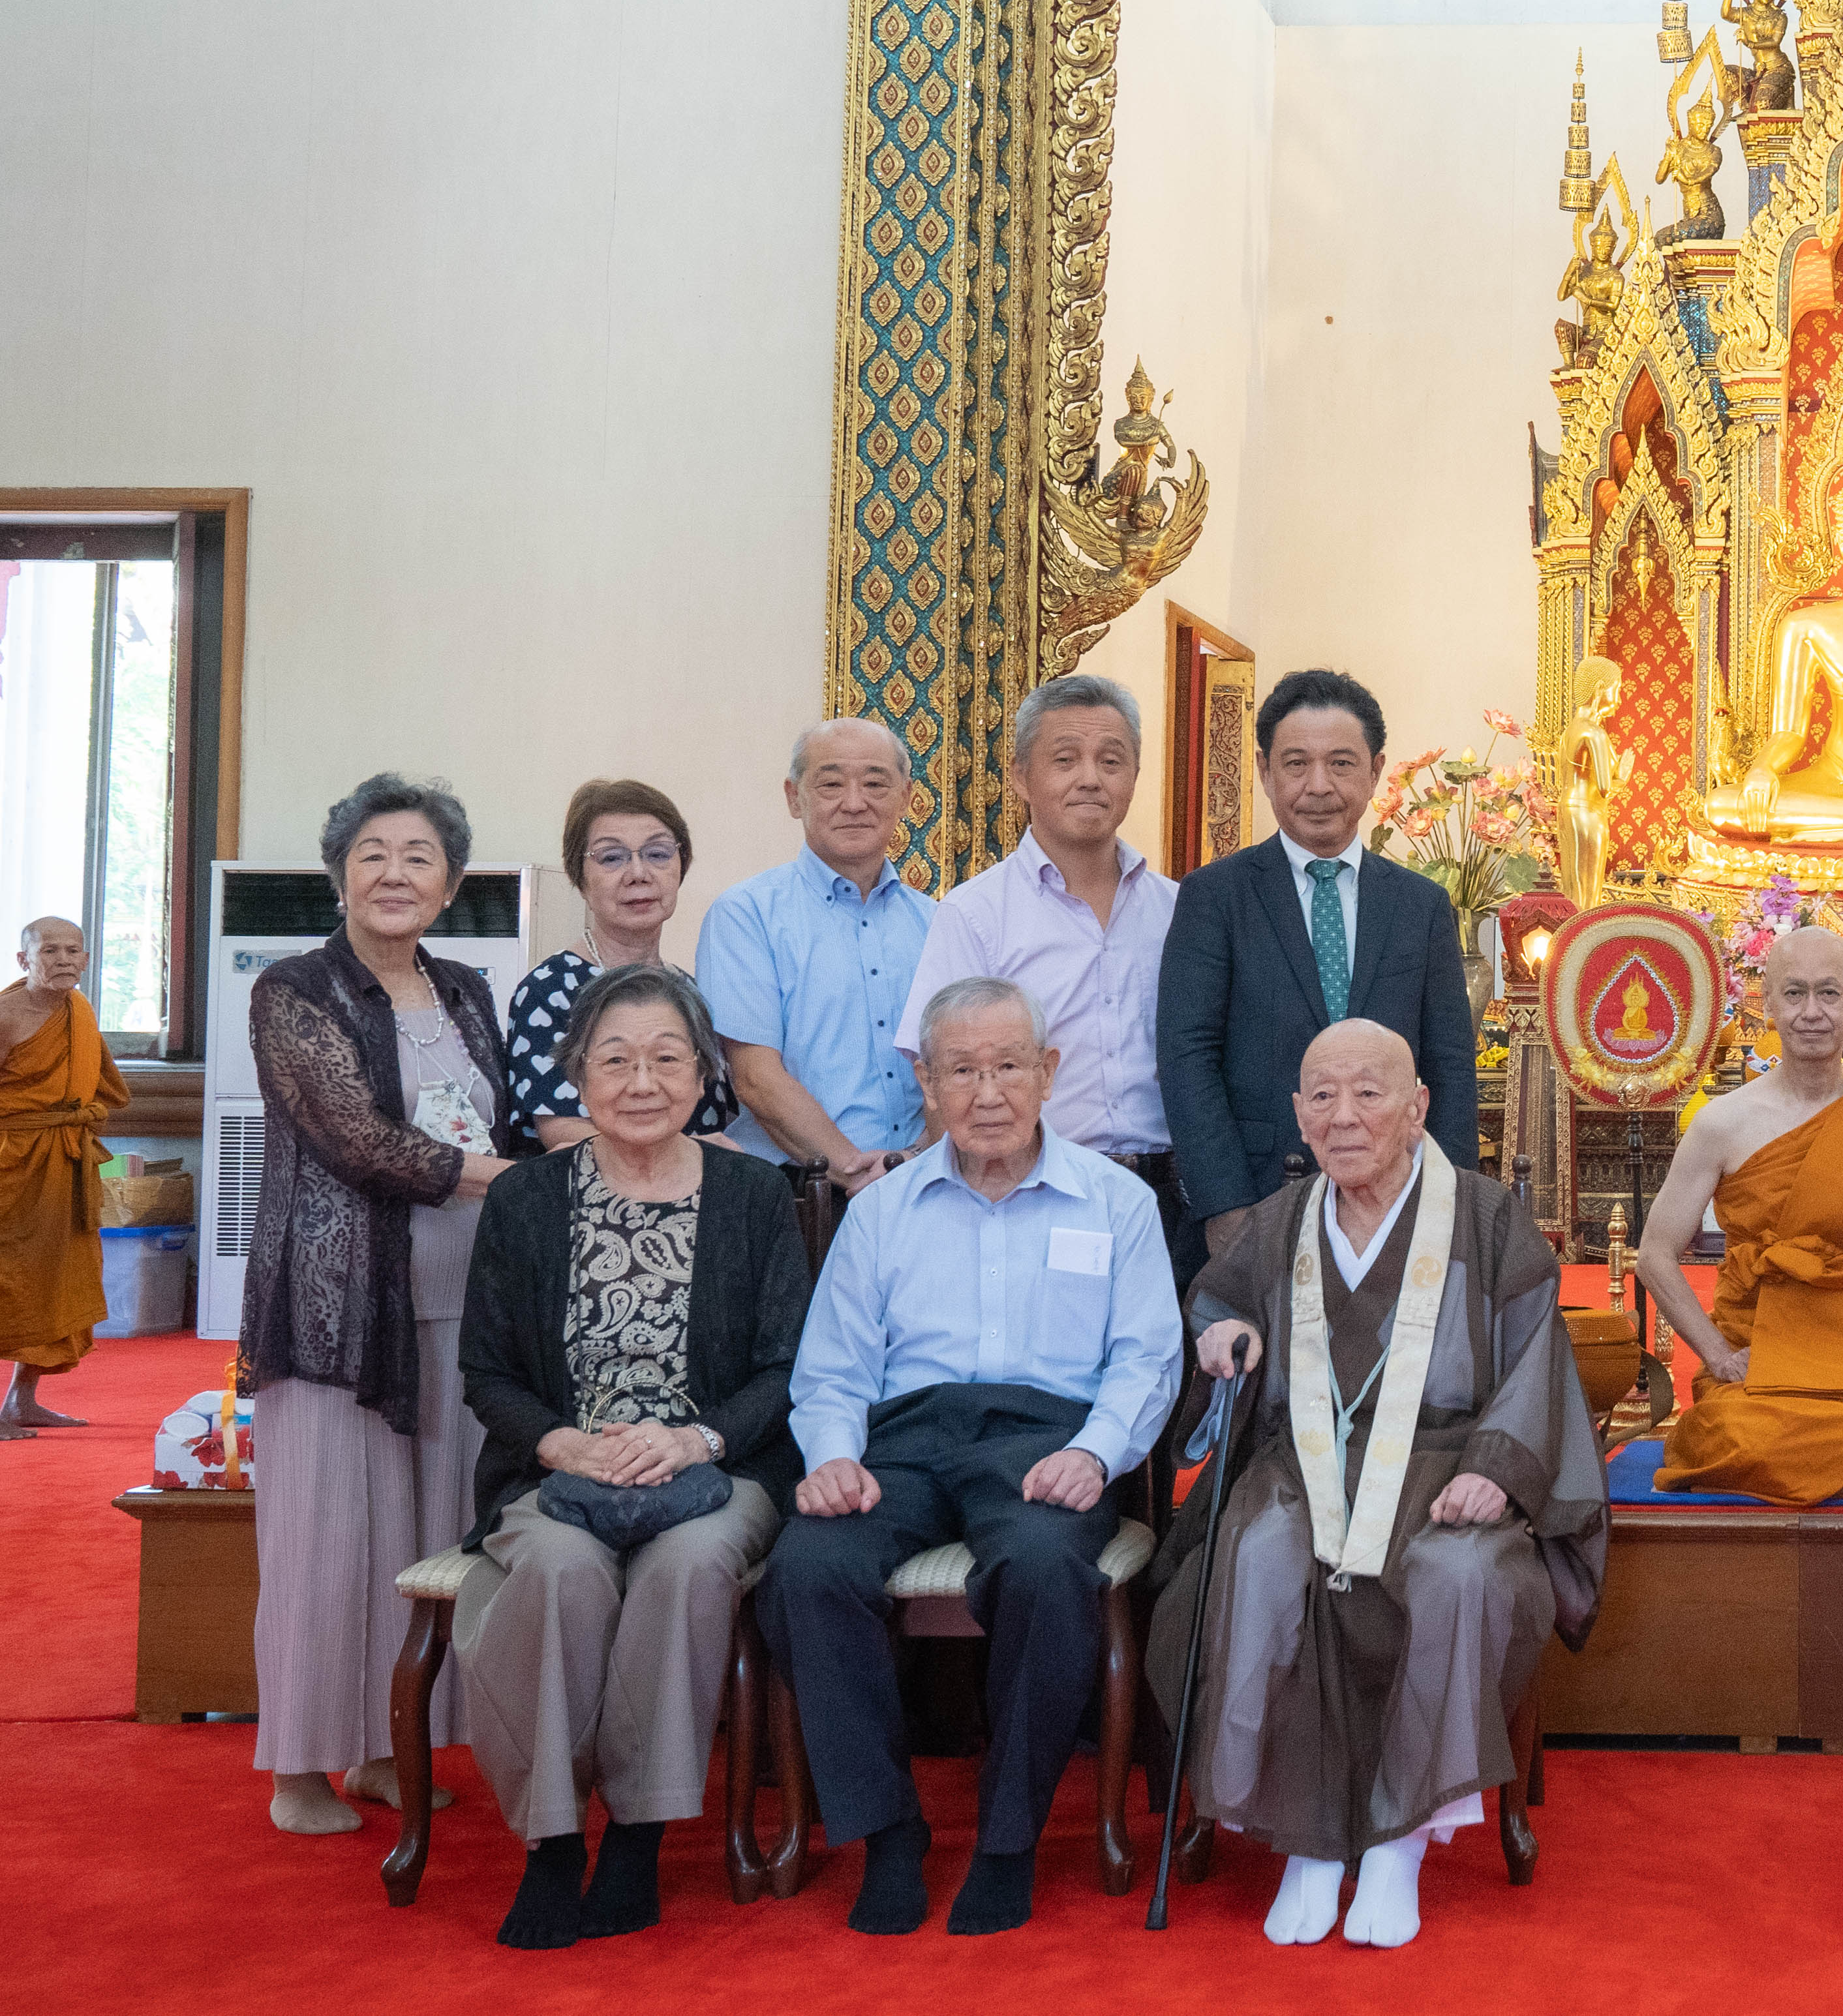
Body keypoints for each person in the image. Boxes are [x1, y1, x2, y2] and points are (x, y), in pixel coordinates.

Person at [1161, 1019, 1609, 1949]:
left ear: (1417, 1108)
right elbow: (1219, 1298)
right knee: (1259, 1552)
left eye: (1369, 1093)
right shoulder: (1280, 1221)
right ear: (1298, 1114)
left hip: (1450, 1466)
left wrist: (1497, 1470)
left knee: (1459, 1572)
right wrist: (1221, 1332)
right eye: (1322, 1096)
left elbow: (1537, 1356)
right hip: (1304, 1467)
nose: (1344, 1116)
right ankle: (1305, 1841)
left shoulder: (1485, 1218)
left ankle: (1401, 1840)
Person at [762, 975, 1177, 1937]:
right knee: (807, 1567)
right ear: (927, 1082)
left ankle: (1006, 1839)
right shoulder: (882, 1211)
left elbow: (1147, 1358)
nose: (987, 1093)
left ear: (1048, 1072)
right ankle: (887, 1828)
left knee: (1042, 1564)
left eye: (1008, 1067)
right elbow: (834, 1368)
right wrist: (833, 1457)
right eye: (960, 1071)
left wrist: (1096, 1453)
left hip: (1046, 1439)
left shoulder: (1115, 1201)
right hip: (902, 1441)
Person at [454, 967, 811, 1949]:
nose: (642, 1081)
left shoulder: (754, 1194)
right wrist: (562, 1442)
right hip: (560, 1471)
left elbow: (788, 1365)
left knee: (689, 1565)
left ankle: (639, 1835)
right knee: (561, 1572)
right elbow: (486, 1370)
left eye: (666, 1058)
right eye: (615, 1060)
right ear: (578, 1074)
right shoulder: (527, 1199)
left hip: (717, 1467)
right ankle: (552, 1840)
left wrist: (694, 1439)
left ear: (702, 1075)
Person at [242, 775, 525, 1833]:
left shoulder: (466, 990)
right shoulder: (295, 990)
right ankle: (298, 1771)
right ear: (340, 875)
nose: (394, 873)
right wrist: (513, 1181)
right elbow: (354, 1138)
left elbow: (498, 1115)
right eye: (373, 854)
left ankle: (383, 1747)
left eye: (418, 857)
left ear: (449, 884)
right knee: (328, 1543)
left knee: (424, 1536)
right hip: (339, 1310)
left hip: (460, 1300)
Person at [1154, 669, 1477, 1288]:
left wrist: (1448, 1203)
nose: (1319, 786)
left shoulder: (1421, 905)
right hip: (1258, 1197)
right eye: (1296, 763)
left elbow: (1450, 1065)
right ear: (1264, 769)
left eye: (1341, 763)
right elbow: (1186, 1055)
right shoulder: (1215, 897)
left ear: (1375, 771)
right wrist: (1224, 1205)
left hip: (1397, 1201)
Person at [1636, 926, 1843, 1505]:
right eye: (1794, 993)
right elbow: (1654, 1256)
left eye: (1829, 993)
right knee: (1731, 1438)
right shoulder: (1723, 1122)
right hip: (1755, 1351)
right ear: (1767, 1000)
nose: (1811, 1012)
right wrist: (1718, 1355)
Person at [898, 676, 1180, 1248]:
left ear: (1134, 776)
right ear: (1022, 777)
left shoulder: (1178, 908)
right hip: (1035, 1190)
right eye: (1065, 759)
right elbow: (946, 1076)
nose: (1090, 778)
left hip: (1170, 1195)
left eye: (1111, 761)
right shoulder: (976, 913)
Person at [700, 718, 935, 1189]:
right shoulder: (746, 914)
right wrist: (854, 1173)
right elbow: (756, 1078)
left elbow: (958, 1069)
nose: (855, 803)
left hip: (921, 1181)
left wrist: (913, 1161)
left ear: (907, 798)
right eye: (831, 784)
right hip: (796, 1191)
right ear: (794, 797)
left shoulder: (938, 923)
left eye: (875, 784)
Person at [504, 779, 740, 1151]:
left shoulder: (693, 991)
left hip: (703, 1185)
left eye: (658, 854)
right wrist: (689, 1158)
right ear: (580, 878)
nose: (638, 874)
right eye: (612, 858)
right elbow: (563, 1133)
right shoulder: (550, 990)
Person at [0, 916, 125, 1436]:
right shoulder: (6, 1016)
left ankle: (20, 1400)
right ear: (24, 959)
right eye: (49, 950)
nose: (63, 960)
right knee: (8, 1279)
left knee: (56, 1280)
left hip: (62, 1161)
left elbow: (93, 1085)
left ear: (87, 959)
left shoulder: (79, 1010)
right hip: (11, 1163)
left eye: (73, 950)